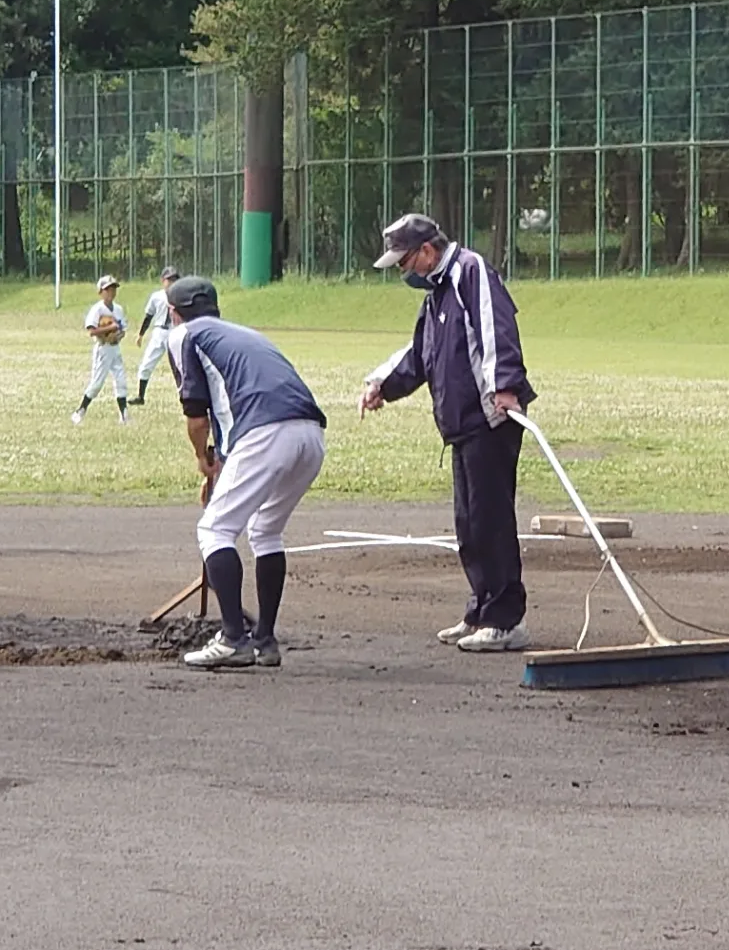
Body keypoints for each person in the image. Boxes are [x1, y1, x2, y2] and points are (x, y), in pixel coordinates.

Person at [359, 213, 536, 652]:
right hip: (461, 425)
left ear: (427, 251)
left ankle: (505, 619)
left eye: (405, 261)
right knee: (469, 524)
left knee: (491, 520)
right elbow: (422, 354)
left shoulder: (470, 273)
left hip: (489, 420)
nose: (403, 271)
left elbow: (497, 329)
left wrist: (506, 387)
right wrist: (384, 384)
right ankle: (480, 609)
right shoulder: (437, 294)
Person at [165, 275, 327, 670]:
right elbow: (231, 402)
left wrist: (203, 461)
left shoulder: (183, 335)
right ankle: (265, 640)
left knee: (214, 529)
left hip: (264, 433)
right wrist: (222, 461)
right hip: (310, 434)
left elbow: (197, 414)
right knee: (265, 530)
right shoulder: (243, 334)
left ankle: (233, 638)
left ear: (174, 313)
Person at [72, 274, 130, 426]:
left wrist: (118, 335)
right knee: (97, 384)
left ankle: (124, 415)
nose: (111, 292)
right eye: (107, 289)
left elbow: (123, 329)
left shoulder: (118, 309)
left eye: (113, 289)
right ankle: (80, 410)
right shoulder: (97, 309)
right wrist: (110, 329)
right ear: (100, 292)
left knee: (121, 381)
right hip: (102, 349)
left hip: (115, 348)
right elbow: (91, 331)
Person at [131, 265, 180, 406]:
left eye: (174, 280)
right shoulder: (157, 296)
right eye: (169, 280)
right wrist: (140, 334)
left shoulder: (181, 296)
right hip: (159, 331)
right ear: (162, 280)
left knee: (180, 366)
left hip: (174, 331)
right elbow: (148, 316)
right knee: (147, 363)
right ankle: (140, 396)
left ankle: (185, 396)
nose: (172, 283)